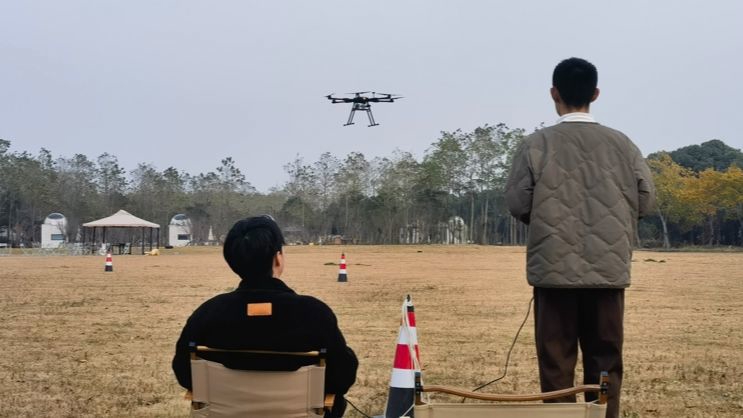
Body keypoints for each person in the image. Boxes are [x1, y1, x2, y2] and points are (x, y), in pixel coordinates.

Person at [505, 57, 655, 418]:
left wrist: (545, 222)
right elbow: (646, 200)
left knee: (556, 362)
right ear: (596, 93)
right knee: (606, 360)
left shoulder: (535, 145)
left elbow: (517, 201)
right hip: (607, 271)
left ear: (553, 93)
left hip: (553, 270)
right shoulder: (623, 145)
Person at [172, 215, 358, 417]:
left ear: (232, 262)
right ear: (278, 258)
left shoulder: (207, 314)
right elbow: (342, 377)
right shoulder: (315, 313)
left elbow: (184, 374)